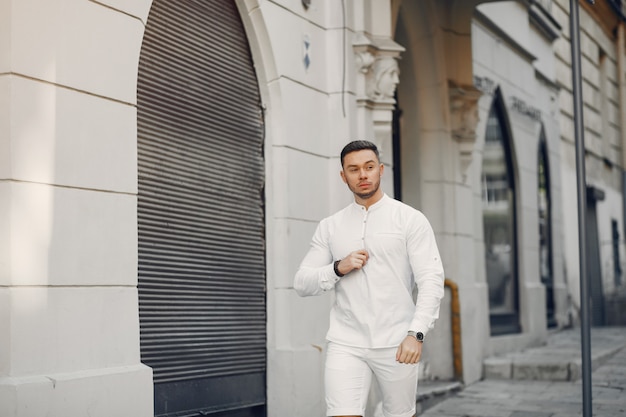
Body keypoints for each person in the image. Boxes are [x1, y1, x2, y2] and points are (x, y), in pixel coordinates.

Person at [294, 140, 445, 417]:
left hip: (398, 341)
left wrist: (417, 333)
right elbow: (302, 282)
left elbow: (431, 281)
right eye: (354, 169)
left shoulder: (410, 219)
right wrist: (338, 267)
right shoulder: (330, 226)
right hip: (346, 341)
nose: (362, 175)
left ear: (381, 170)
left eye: (369, 167)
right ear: (343, 176)